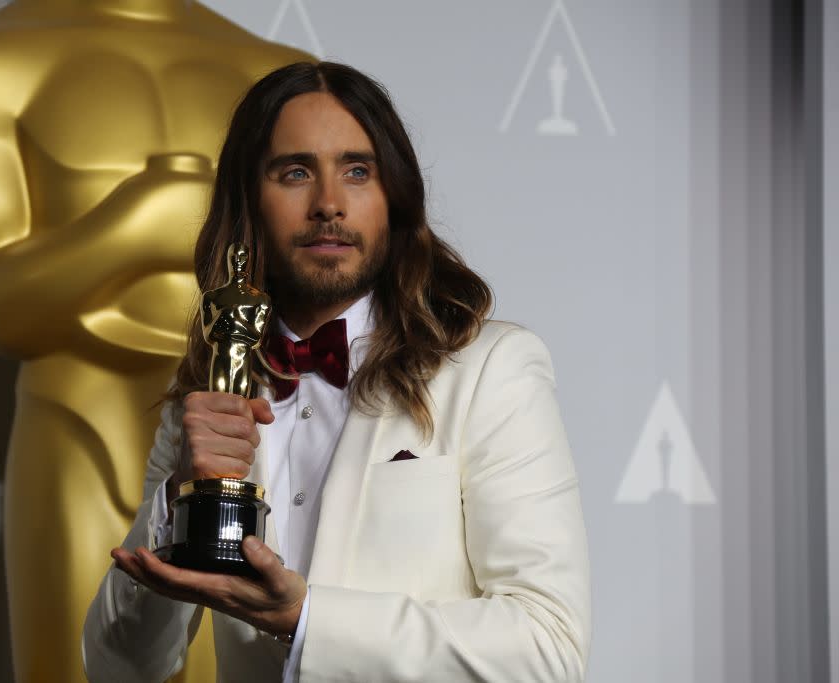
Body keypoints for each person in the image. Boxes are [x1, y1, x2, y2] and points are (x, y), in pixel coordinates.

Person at [82, 61, 591, 682]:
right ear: (250, 200)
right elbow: (120, 668)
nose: (328, 204)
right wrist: (177, 500)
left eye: (357, 171)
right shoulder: (208, 397)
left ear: (392, 197)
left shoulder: (491, 370)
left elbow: (548, 649)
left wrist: (306, 619)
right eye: (295, 172)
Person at [0, 1, 310, 680]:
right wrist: (142, 218)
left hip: (253, 446)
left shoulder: (277, 74)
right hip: (79, 436)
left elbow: (319, 290)